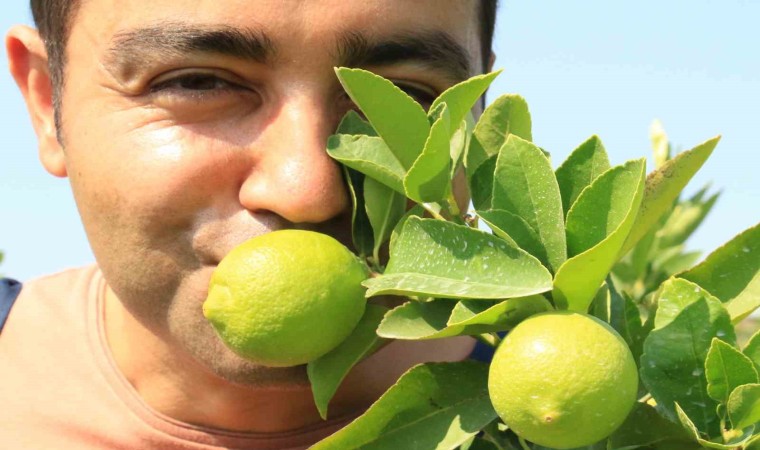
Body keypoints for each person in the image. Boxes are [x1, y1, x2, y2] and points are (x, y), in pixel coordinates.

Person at [0, 0, 497, 448]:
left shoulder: (536, 419)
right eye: (196, 82)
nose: (305, 192)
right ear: (47, 102)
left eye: (401, 95)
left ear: (479, 113)